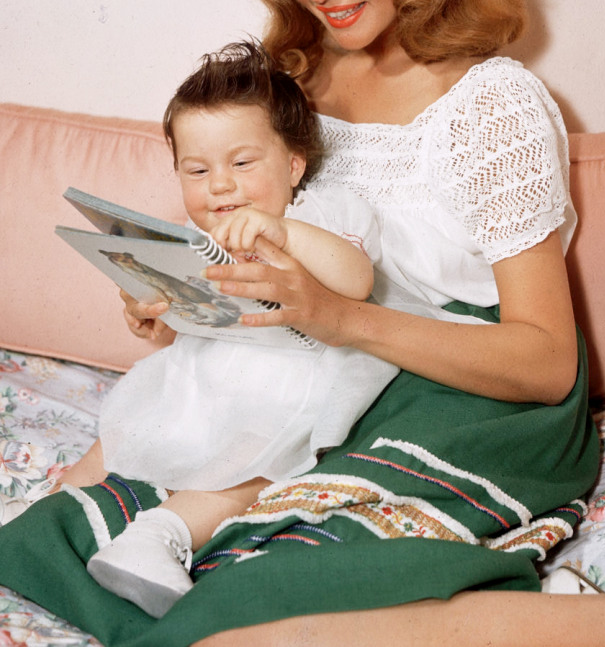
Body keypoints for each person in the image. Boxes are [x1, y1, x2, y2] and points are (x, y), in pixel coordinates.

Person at [0, 0, 605, 647]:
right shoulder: (293, 86)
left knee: (249, 606)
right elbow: (272, 251)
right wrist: (182, 300)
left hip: (469, 393)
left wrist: (338, 318)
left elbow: (548, 362)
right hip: (322, 371)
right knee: (58, 543)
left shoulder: (493, 101)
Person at [9, 40, 399, 618]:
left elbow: (356, 278)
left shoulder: (322, 213)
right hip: (205, 372)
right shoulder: (199, 242)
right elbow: (193, 326)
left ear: (293, 164)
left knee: (254, 463)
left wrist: (282, 233)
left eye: (242, 164)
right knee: (124, 429)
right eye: (197, 170)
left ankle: (158, 536)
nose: (220, 185)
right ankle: (52, 509)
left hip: (293, 379)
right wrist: (152, 315)